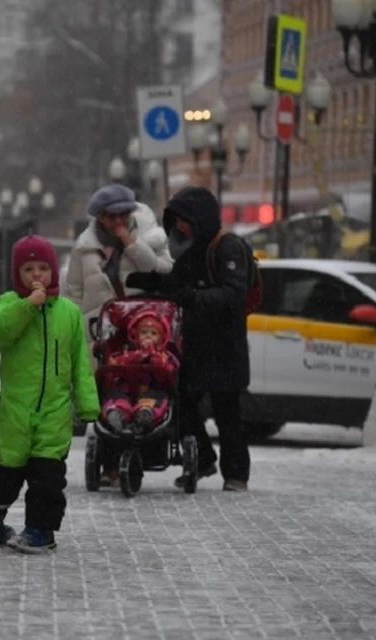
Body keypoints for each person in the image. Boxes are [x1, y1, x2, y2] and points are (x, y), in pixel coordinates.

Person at [0, 235, 100, 554]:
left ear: (54, 271)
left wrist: (88, 403)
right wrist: (27, 306)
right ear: (18, 274)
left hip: (54, 410)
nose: (36, 275)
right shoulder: (7, 304)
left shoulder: (67, 313)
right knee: (6, 469)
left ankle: (40, 529)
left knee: (48, 474)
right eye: (28, 269)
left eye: (42, 268)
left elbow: (80, 361)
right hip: (15, 409)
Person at [126, 186, 252, 492]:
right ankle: (202, 459)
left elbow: (234, 293)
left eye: (185, 220)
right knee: (182, 405)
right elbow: (172, 283)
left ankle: (236, 475)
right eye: (176, 220)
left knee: (227, 412)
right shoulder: (186, 248)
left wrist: (194, 297)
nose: (179, 226)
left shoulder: (226, 247)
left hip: (225, 346)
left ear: (201, 218)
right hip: (194, 344)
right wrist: (148, 282)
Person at [63, 183, 173, 487]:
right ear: (99, 217)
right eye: (112, 217)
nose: (118, 222)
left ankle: (141, 450)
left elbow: (162, 270)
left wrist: (133, 244)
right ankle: (110, 465)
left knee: (139, 387)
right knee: (107, 392)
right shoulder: (84, 247)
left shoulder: (152, 237)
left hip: (141, 328)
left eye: (124, 214)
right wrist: (71, 325)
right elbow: (73, 290)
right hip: (100, 329)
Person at [100, 310, 179, 434]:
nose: (148, 336)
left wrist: (156, 359)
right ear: (136, 336)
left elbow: (172, 369)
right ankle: (116, 414)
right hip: (126, 390)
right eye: (144, 332)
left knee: (155, 400)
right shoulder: (127, 352)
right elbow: (113, 364)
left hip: (152, 391)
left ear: (162, 338)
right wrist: (133, 358)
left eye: (154, 333)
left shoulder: (164, 356)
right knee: (115, 397)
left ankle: (145, 414)